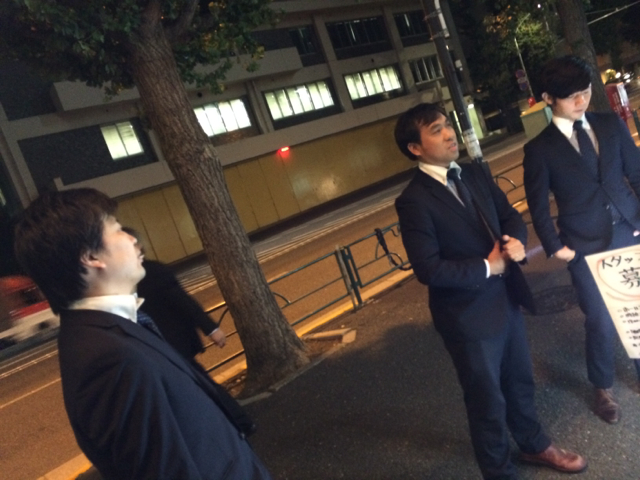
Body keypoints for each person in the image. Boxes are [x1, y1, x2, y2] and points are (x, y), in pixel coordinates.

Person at [14, 188, 271, 480]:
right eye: (117, 229)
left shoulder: (112, 330)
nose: (132, 238)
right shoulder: (108, 359)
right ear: (91, 256)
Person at [394, 103, 586, 479]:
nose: (449, 134)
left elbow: (508, 213)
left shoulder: (472, 173)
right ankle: (498, 471)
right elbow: (427, 268)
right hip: (466, 315)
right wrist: (488, 266)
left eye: (447, 125)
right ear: (415, 148)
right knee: (486, 399)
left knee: (520, 381)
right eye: (436, 130)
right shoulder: (413, 200)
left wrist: (515, 238)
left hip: (505, 299)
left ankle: (533, 444)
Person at [523, 55, 640, 425]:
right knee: (600, 319)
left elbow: (637, 172)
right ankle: (602, 386)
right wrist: (556, 247)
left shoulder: (609, 124)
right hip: (583, 244)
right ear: (548, 98)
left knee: (636, 310)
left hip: (628, 229)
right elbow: (537, 205)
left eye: (586, 91)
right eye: (571, 95)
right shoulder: (539, 149)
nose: (581, 100)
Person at [121, 227, 226, 361]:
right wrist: (211, 329)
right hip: (175, 340)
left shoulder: (119, 280)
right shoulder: (154, 271)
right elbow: (183, 301)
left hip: (154, 347)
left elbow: (182, 301)